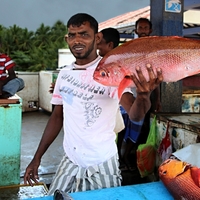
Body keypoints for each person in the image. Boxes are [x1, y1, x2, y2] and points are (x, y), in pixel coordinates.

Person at [24, 13, 163, 196]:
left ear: (97, 38)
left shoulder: (112, 71)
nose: (77, 40)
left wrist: (144, 96)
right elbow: (57, 117)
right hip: (70, 160)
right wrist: (37, 158)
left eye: (84, 34)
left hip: (102, 162)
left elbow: (135, 115)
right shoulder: (64, 75)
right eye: (72, 35)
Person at [117, 18, 161, 172]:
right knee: (122, 128)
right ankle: (119, 157)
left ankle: (127, 155)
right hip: (126, 94)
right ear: (135, 30)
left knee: (137, 127)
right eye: (140, 27)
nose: (142, 30)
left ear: (150, 31)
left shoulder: (154, 49)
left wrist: (158, 99)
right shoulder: (129, 48)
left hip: (143, 97)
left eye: (145, 27)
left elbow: (156, 77)